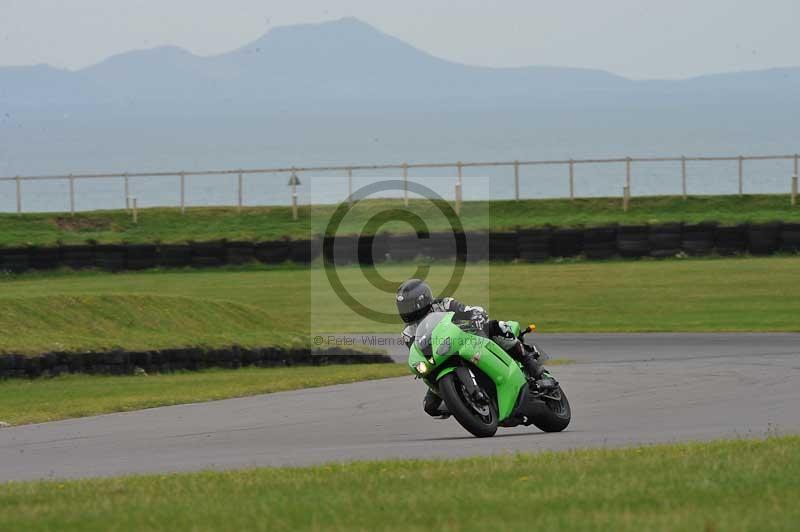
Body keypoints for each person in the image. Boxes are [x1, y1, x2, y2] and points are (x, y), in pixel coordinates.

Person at [396, 278, 548, 418]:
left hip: (467, 340)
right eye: (402, 307)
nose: (406, 311)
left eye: (409, 306)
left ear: (422, 300)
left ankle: (529, 363)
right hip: (441, 358)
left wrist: (475, 316)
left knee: (498, 327)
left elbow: (470, 311)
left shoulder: (444, 304)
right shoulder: (407, 333)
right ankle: (463, 403)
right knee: (430, 407)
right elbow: (417, 352)